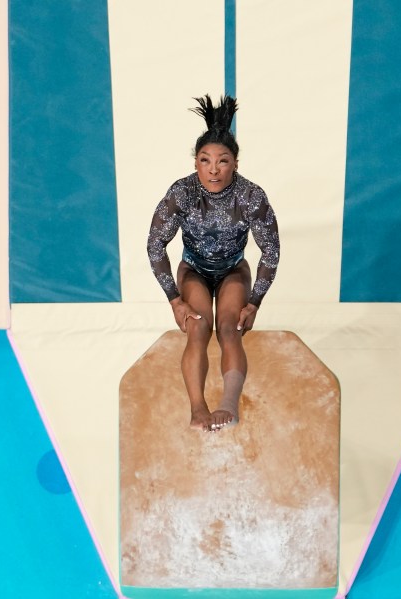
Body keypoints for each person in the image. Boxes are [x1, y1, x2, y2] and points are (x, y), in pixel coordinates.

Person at [147, 94, 280, 432]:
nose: (214, 169)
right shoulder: (182, 193)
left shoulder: (251, 196)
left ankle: (228, 404)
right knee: (198, 327)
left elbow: (271, 251)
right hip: (194, 270)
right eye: (205, 161)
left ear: (235, 163)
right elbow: (155, 246)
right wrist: (175, 301)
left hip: (234, 269)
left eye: (223, 161)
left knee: (229, 329)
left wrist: (254, 304)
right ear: (196, 163)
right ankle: (197, 409)